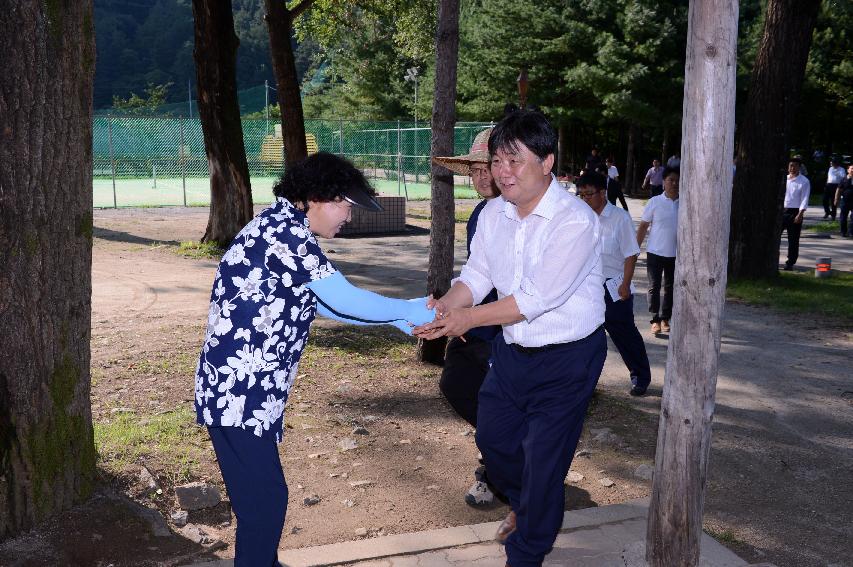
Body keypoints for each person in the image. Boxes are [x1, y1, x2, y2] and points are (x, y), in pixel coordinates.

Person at [194, 152, 434, 567]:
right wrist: (414, 309)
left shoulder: (281, 228)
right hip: (239, 396)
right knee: (264, 504)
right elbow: (344, 298)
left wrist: (400, 320)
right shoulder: (286, 235)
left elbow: (326, 306)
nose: (348, 217)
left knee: (262, 500)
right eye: (345, 205)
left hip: (243, 395)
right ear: (317, 197)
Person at [414, 110, 607, 567]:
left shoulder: (574, 221)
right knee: (497, 443)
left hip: (568, 359)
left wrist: (467, 318)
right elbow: (478, 275)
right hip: (512, 351)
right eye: (497, 160)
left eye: (514, 160)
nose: (502, 171)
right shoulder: (493, 215)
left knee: (543, 460)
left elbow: (534, 298)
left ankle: (527, 550)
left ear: (547, 162)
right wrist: (447, 306)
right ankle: (531, 504)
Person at [432, 128, 504, 507]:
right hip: (476, 325)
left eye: (486, 167)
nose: (479, 176)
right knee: (457, 384)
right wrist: (447, 307)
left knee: (495, 403)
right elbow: (476, 274)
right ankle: (505, 454)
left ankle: (495, 473)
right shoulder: (480, 214)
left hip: (508, 329)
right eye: (473, 169)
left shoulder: (519, 212)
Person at [576, 172, 651, 396]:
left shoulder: (620, 218)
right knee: (585, 335)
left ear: (603, 192)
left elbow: (630, 254)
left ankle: (640, 376)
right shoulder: (582, 217)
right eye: (582, 195)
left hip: (614, 286)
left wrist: (626, 285)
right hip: (587, 286)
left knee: (624, 334)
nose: (586, 199)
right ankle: (583, 381)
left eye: (589, 194)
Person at [637, 166, 679, 335]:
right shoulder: (655, 202)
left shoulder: (685, 203)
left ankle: (665, 318)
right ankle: (654, 319)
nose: (674, 183)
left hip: (675, 254)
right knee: (654, 286)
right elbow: (643, 226)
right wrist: (634, 249)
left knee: (670, 287)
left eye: (677, 180)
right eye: (671, 180)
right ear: (663, 182)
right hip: (655, 251)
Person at [781, 158, 810, 271]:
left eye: (795, 166)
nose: (792, 168)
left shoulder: (804, 181)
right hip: (782, 211)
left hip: (795, 212)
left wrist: (800, 214)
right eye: (790, 166)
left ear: (799, 167)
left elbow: (804, 198)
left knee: (793, 239)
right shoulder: (784, 179)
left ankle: (790, 262)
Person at [834, 164, 853, 238]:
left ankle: (851, 232)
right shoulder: (844, 179)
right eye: (851, 168)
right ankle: (843, 232)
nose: (852, 170)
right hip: (845, 201)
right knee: (843, 218)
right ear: (848, 170)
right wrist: (836, 199)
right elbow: (838, 189)